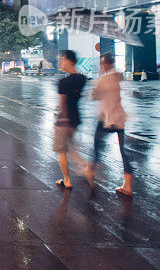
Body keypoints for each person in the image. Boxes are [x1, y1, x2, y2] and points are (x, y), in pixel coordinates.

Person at [84, 54, 133, 197]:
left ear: (105, 64)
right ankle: (128, 186)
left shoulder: (104, 79)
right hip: (119, 118)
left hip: (106, 118)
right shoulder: (119, 77)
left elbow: (95, 96)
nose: (101, 66)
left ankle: (90, 171)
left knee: (97, 146)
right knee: (124, 152)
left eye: (102, 63)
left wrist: (97, 82)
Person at [54, 50, 87, 189]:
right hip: (76, 118)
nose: (60, 62)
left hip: (64, 119)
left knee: (61, 151)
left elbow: (63, 102)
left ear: (68, 60)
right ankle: (85, 167)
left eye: (61, 59)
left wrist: (61, 115)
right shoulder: (82, 78)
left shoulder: (63, 81)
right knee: (71, 147)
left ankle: (67, 180)